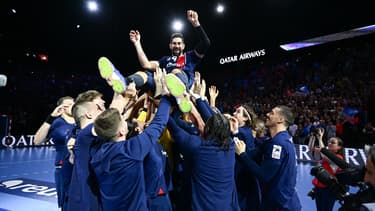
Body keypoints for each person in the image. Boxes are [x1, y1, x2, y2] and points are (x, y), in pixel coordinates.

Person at [97, 10, 210, 113]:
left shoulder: (190, 57)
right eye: (174, 43)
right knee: (143, 74)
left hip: (181, 86)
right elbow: (146, 64)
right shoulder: (165, 60)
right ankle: (123, 83)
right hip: (162, 85)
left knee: (175, 72)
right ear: (170, 46)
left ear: (183, 46)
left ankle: (180, 94)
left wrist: (196, 24)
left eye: (179, 43)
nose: (177, 46)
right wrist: (137, 43)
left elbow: (206, 43)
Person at [90, 95, 171, 210]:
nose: (126, 120)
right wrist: (166, 97)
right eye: (123, 120)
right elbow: (159, 124)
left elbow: (105, 125)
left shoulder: (96, 154)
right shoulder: (130, 150)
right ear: (122, 131)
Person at [234, 105, 302, 211]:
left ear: (281, 119)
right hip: (280, 201)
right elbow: (253, 154)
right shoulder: (276, 140)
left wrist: (242, 155)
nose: (267, 114)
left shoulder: (278, 144)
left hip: (280, 205)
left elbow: (264, 175)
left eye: (272, 113)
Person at [33, 96, 75, 209]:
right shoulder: (56, 123)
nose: (73, 106)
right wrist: (50, 118)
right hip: (62, 166)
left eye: (74, 103)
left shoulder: (82, 120)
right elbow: (37, 141)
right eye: (69, 104)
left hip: (80, 165)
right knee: (66, 201)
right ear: (62, 107)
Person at [308, 128, 345, 211]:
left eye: (333, 142)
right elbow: (310, 148)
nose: (329, 143)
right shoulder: (325, 154)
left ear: (339, 147)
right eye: (329, 142)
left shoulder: (339, 158)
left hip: (328, 189)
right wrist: (313, 136)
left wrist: (320, 138)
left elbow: (324, 153)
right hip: (318, 188)